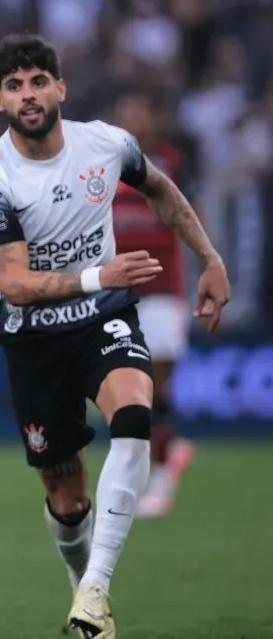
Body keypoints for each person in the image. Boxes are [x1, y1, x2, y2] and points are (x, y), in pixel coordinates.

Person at [0, 33, 230, 638]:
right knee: (67, 498)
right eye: (14, 87)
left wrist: (209, 257)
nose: (28, 95)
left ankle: (95, 591)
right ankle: (82, 586)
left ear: (60, 87)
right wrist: (98, 273)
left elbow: (161, 190)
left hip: (102, 318)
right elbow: (13, 284)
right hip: (34, 340)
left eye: (38, 82)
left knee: (135, 412)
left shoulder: (107, 145)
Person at [111, 92, 200, 518]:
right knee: (126, 392)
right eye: (128, 111)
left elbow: (192, 216)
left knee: (155, 387)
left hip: (163, 290)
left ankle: (161, 474)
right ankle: (164, 456)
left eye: (141, 110)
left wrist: (208, 267)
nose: (134, 118)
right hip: (116, 294)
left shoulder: (171, 163)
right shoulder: (102, 166)